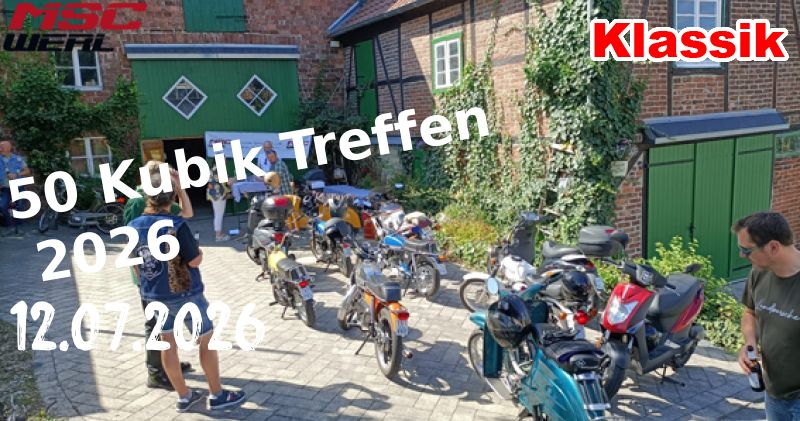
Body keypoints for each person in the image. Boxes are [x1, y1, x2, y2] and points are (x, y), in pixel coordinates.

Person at [129, 171, 246, 412]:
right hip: (184, 292)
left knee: (167, 342)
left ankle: (184, 396)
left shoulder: (133, 226)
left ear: (148, 196)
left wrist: (147, 287)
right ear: (172, 196)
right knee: (206, 339)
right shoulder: (176, 224)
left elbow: (135, 263)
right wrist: (199, 251)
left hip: (153, 295)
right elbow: (194, 261)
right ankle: (217, 394)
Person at [123, 161, 194, 390]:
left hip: (167, 273)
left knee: (168, 322)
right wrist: (140, 275)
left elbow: (186, 213)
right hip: (149, 273)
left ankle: (167, 363)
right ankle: (155, 373)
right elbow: (131, 239)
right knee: (154, 323)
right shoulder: (137, 200)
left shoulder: (160, 196)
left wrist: (180, 188)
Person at [734, 211, 800, 420]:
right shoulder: (759, 272)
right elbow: (750, 312)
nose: (741, 255)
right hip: (774, 394)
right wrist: (750, 344)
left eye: (746, 250)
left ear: (773, 247)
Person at [0, 140, 31, 235]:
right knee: (2, 206)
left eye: (2, 147)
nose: (0, 149)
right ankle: (10, 227)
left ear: (8, 148)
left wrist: (16, 174)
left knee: (20, 207)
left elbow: (27, 171)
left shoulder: (18, 159)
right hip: (5, 187)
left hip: (18, 186)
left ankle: (19, 228)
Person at [207, 164, 231, 242]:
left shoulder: (213, 168)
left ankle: (218, 234)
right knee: (218, 215)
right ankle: (218, 236)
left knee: (217, 214)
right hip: (219, 195)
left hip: (213, 195)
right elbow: (227, 182)